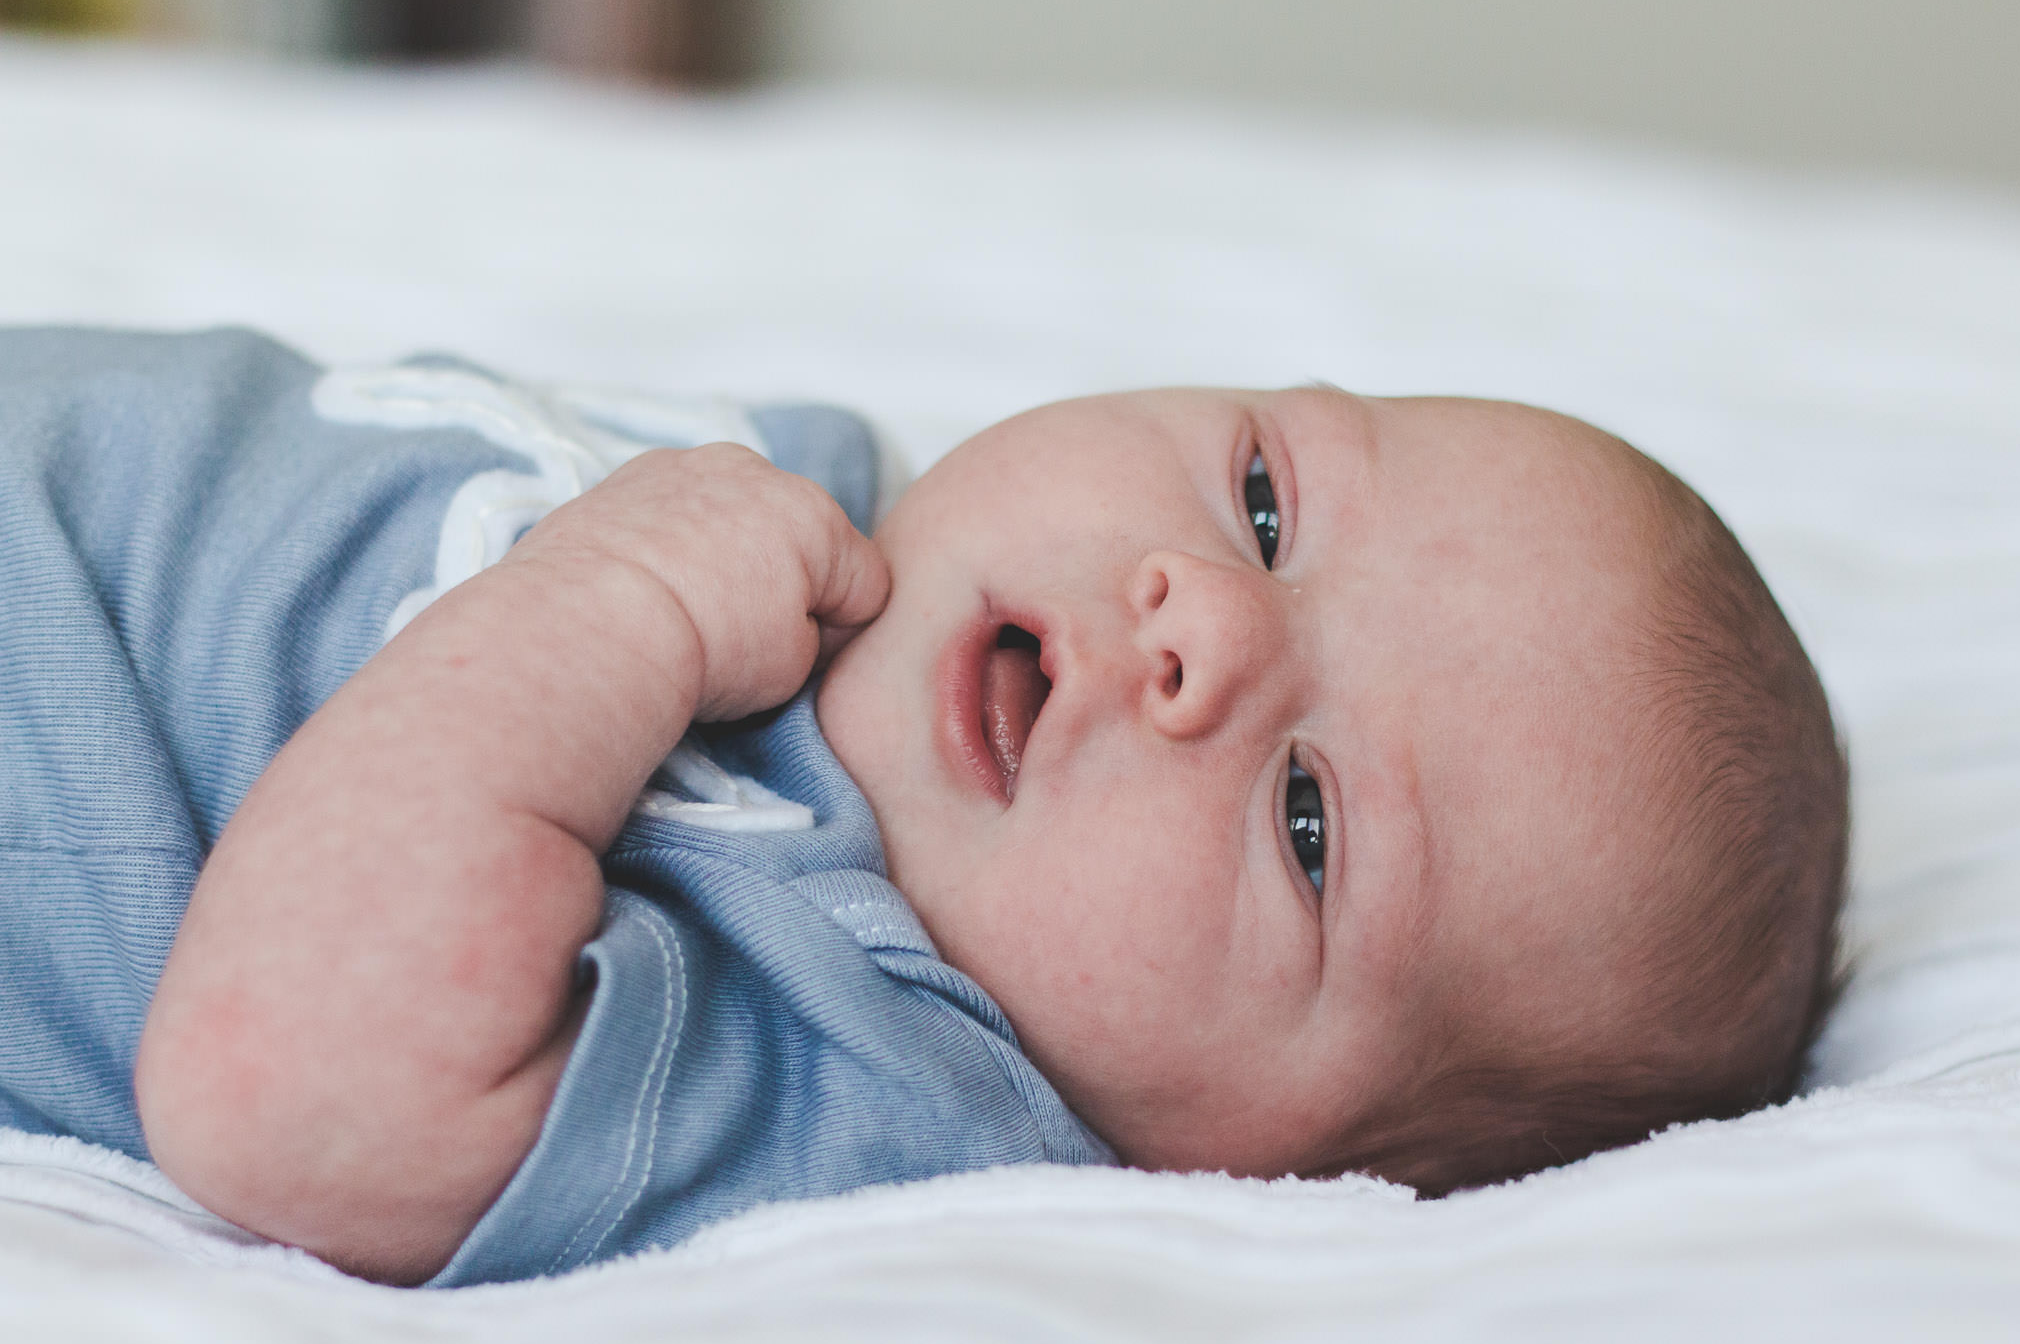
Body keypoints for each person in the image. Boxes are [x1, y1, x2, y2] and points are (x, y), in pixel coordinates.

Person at [0, 327, 1847, 1287]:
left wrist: (611, 615)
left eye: (1310, 827)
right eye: (1270, 505)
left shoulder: (849, 1047)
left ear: (1276, 1172)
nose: (1205, 616)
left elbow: (279, 1089)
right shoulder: (838, 505)